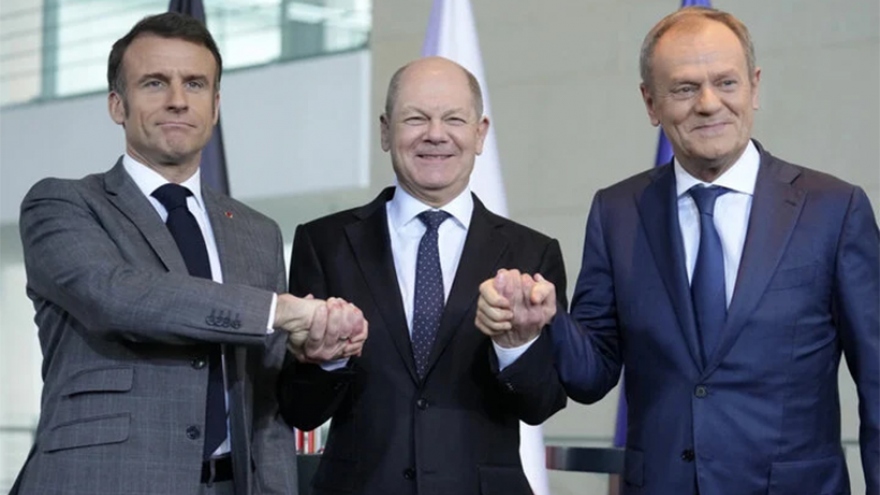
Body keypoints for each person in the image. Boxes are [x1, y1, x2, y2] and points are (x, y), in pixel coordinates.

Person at [476, 6, 879, 494]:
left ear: (754, 87)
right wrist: (548, 323)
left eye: (726, 83)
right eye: (685, 88)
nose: (708, 103)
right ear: (651, 103)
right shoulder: (617, 212)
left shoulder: (833, 209)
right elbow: (592, 375)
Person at [12, 12, 366, 495]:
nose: (178, 100)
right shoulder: (63, 204)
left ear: (215, 106)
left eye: (195, 84)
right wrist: (278, 310)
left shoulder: (258, 232)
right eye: (155, 83)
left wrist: (319, 356)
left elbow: (265, 399)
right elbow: (117, 297)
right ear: (117, 104)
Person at [281, 56, 567, 495]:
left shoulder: (532, 254)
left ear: (480, 133)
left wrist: (516, 346)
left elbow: (542, 403)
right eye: (416, 118)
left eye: (454, 119)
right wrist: (328, 359)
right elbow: (299, 409)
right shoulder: (325, 242)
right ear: (385, 131)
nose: (435, 134)